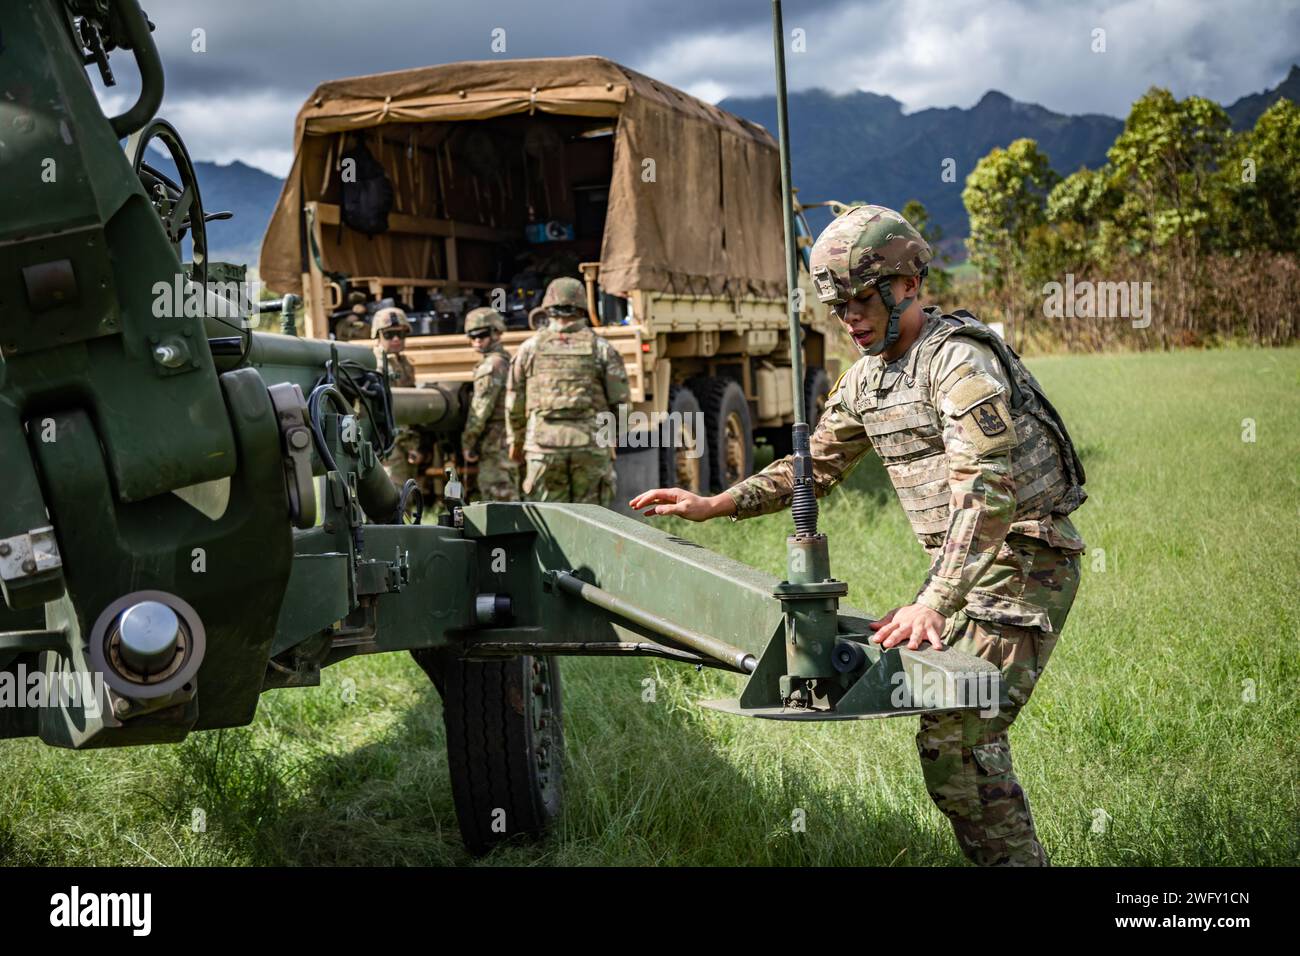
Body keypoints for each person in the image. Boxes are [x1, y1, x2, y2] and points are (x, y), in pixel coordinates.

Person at [629, 204, 1088, 867]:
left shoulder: (957, 362)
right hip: (968, 570)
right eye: (839, 307)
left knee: (956, 741)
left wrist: (933, 602)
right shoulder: (867, 379)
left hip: (1026, 560)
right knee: (955, 742)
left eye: (864, 300)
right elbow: (814, 466)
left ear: (908, 285)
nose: (852, 318)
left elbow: (988, 492)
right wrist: (717, 502)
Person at [506, 277, 629, 505]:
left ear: (547, 309)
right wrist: (612, 438)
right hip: (591, 446)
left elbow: (514, 402)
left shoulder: (528, 349)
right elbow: (621, 402)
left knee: (548, 522)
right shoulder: (602, 349)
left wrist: (516, 441)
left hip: (542, 447)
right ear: (583, 307)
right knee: (594, 523)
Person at [461, 307, 519, 501]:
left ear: (496, 333)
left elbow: (480, 408)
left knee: (498, 497)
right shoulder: (506, 360)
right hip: (507, 438)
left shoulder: (492, 365)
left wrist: (468, 441)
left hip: (496, 442)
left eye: (482, 335)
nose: (477, 340)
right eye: (472, 336)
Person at [373, 306, 420, 486]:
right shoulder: (376, 365)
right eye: (389, 334)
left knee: (405, 495)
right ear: (377, 336)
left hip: (402, 439)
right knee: (392, 494)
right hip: (386, 440)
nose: (395, 339)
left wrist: (412, 444)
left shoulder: (404, 364)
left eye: (400, 335)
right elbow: (385, 409)